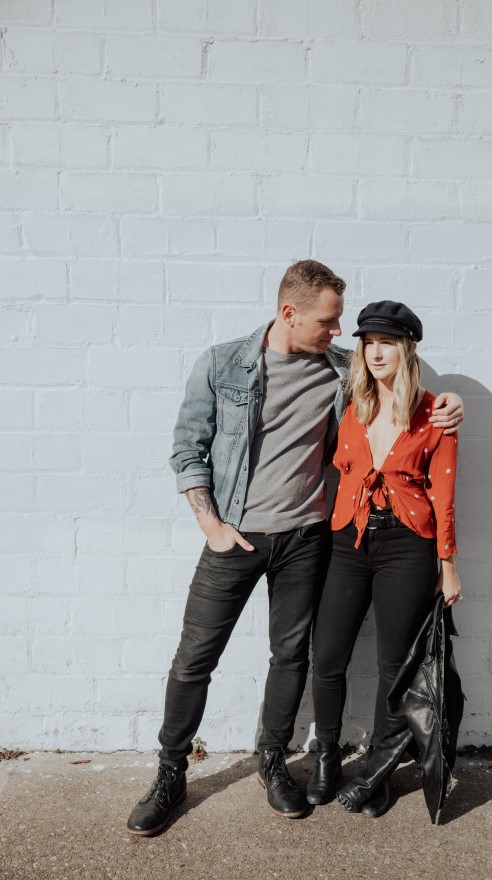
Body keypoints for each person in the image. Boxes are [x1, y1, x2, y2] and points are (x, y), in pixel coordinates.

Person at [126, 265, 464, 836]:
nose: (339, 333)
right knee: (194, 659)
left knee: (290, 658)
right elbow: (188, 449)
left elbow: (393, 392)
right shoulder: (221, 364)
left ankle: (274, 761)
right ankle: (170, 771)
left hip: (307, 540)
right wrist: (210, 524)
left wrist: (447, 401)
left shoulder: (338, 373)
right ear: (290, 314)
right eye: (329, 321)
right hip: (234, 536)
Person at [307, 301, 462, 817]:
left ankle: (379, 771)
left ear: (408, 347)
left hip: (407, 547)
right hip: (348, 541)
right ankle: (326, 755)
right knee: (327, 656)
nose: (375, 352)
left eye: (387, 342)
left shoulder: (435, 411)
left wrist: (448, 562)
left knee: (394, 666)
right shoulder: (349, 400)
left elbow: (444, 494)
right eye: (368, 342)